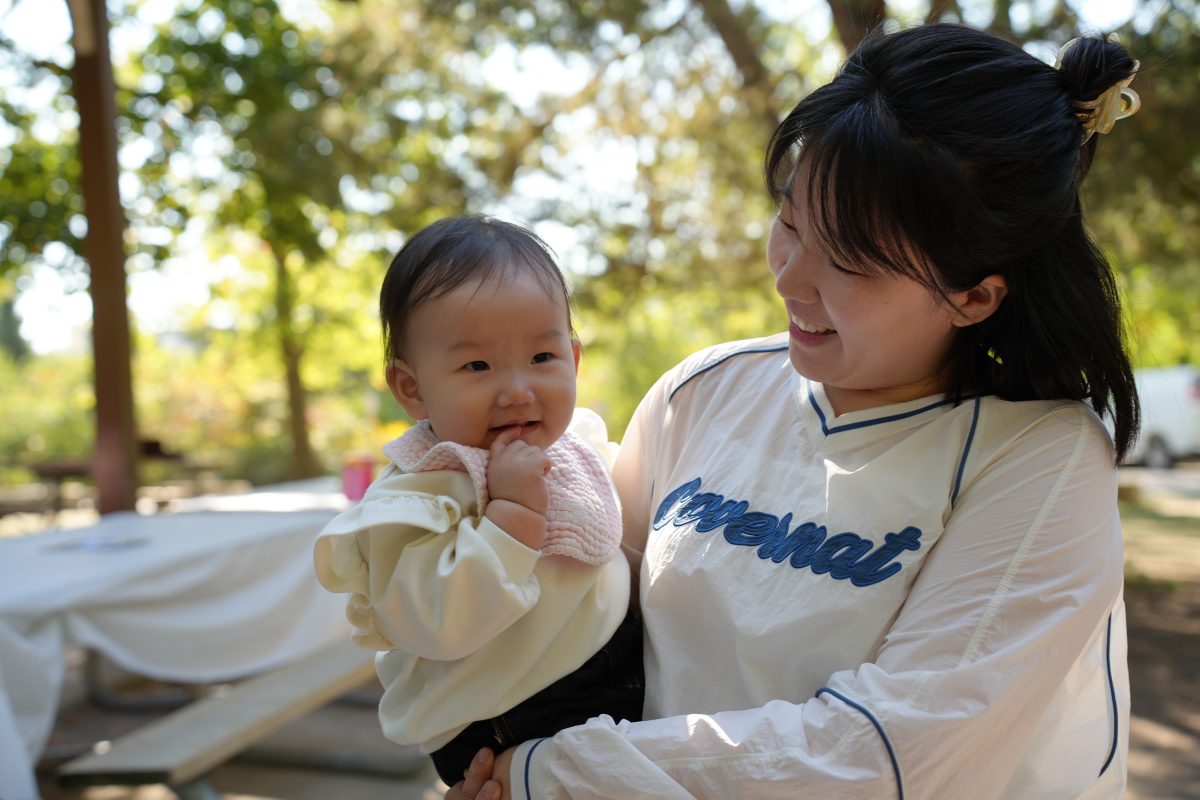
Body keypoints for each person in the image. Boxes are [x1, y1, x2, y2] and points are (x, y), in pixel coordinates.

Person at [448, 23, 1141, 800]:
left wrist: (552, 774)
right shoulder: (703, 393)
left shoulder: (1041, 460)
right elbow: (585, 619)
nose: (789, 278)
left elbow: (884, 756)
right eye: (789, 222)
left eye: (849, 261)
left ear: (974, 296)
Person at [313, 214, 643, 786]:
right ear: (412, 388)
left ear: (573, 359)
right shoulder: (420, 493)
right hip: (508, 714)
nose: (517, 390)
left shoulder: (577, 446)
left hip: (602, 674)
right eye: (477, 366)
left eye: (542, 358)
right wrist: (511, 517)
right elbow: (437, 623)